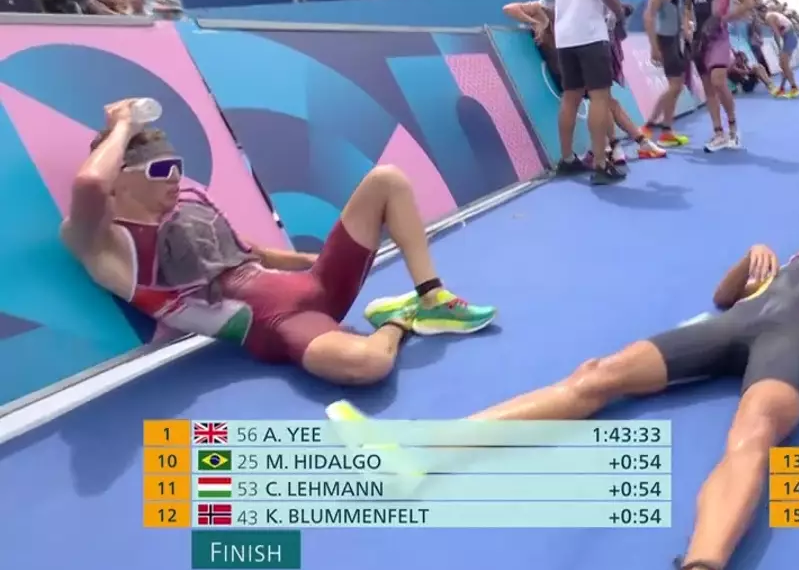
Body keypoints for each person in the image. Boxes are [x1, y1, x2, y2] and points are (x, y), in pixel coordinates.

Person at [328, 230, 799, 570]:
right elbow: (724, 298)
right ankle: (417, 455)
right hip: (732, 326)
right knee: (596, 376)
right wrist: (750, 256)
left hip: (791, 342)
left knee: (754, 433)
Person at [61, 101, 497, 385]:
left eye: (176, 166)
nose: (175, 177)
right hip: (278, 324)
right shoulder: (106, 246)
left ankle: (430, 297)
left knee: (388, 179)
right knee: (368, 365)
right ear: (120, 180)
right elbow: (90, 182)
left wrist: (321, 259)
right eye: (159, 171)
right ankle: (398, 319)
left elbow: (255, 253)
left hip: (314, 285)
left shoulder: (190, 204)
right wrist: (122, 125)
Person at [501, 0, 666, 166]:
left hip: (578, 66)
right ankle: (620, 146)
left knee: (607, 102)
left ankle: (616, 147)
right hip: (565, 71)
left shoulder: (578, 14)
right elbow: (509, 8)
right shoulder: (543, 8)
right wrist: (536, 23)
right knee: (607, 102)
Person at [546, 0, 633, 184]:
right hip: (591, 35)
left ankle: (566, 159)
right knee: (599, 97)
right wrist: (619, 11)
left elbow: (547, 1)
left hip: (565, 38)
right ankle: (600, 165)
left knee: (570, 97)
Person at [686, 0, 754, 152]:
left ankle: (733, 127)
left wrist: (725, 18)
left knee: (718, 80)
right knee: (708, 88)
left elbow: (748, 2)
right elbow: (686, 10)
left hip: (719, 37)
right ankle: (718, 133)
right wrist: (687, 29)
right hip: (698, 39)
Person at [642, 0, 693, 147]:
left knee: (676, 86)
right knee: (675, 85)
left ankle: (663, 129)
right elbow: (649, 15)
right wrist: (654, 46)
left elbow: (676, 13)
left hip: (673, 39)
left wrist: (685, 29)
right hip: (666, 39)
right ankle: (654, 127)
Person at [764, 7, 799, 97]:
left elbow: (776, 34)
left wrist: (780, 49)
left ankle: (794, 88)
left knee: (784, 65)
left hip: (789, 38)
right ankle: (782, 89)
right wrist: (780, 48)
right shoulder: (774, 16)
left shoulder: (769, 17)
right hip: (789, 38)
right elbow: (776, 33)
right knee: (783, 65)